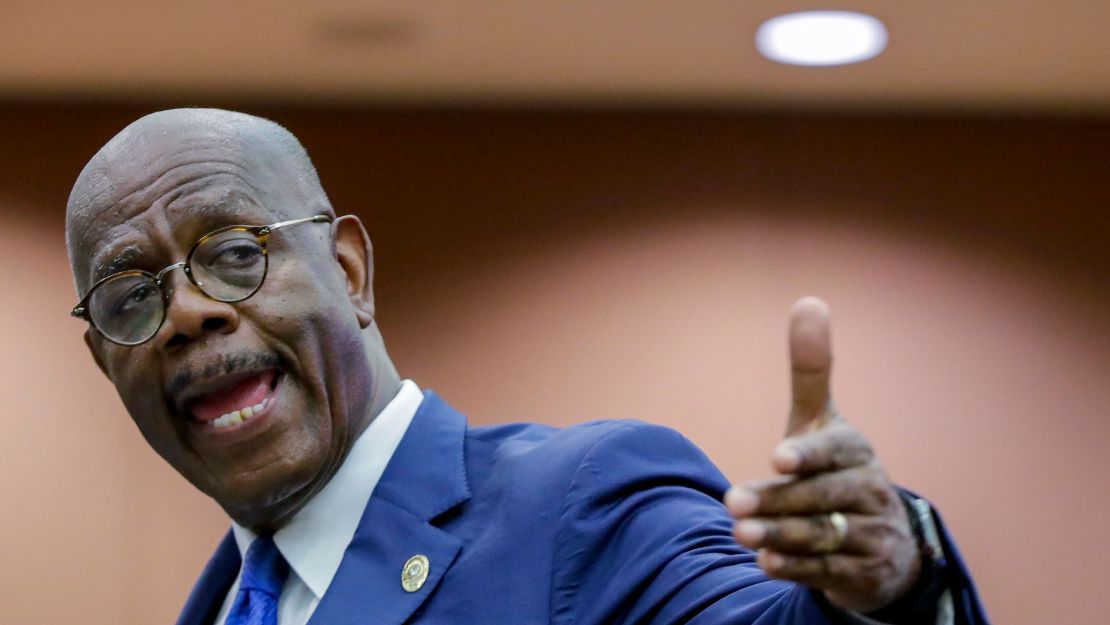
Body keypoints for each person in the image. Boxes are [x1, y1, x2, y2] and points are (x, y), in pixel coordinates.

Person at [65, 109, 988, 625]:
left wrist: (886, 590)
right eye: (130, 296)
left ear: (349, 273)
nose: (188, 311)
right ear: (108, 365)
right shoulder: (223, 606)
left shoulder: (581, 505)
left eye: (236, 251)